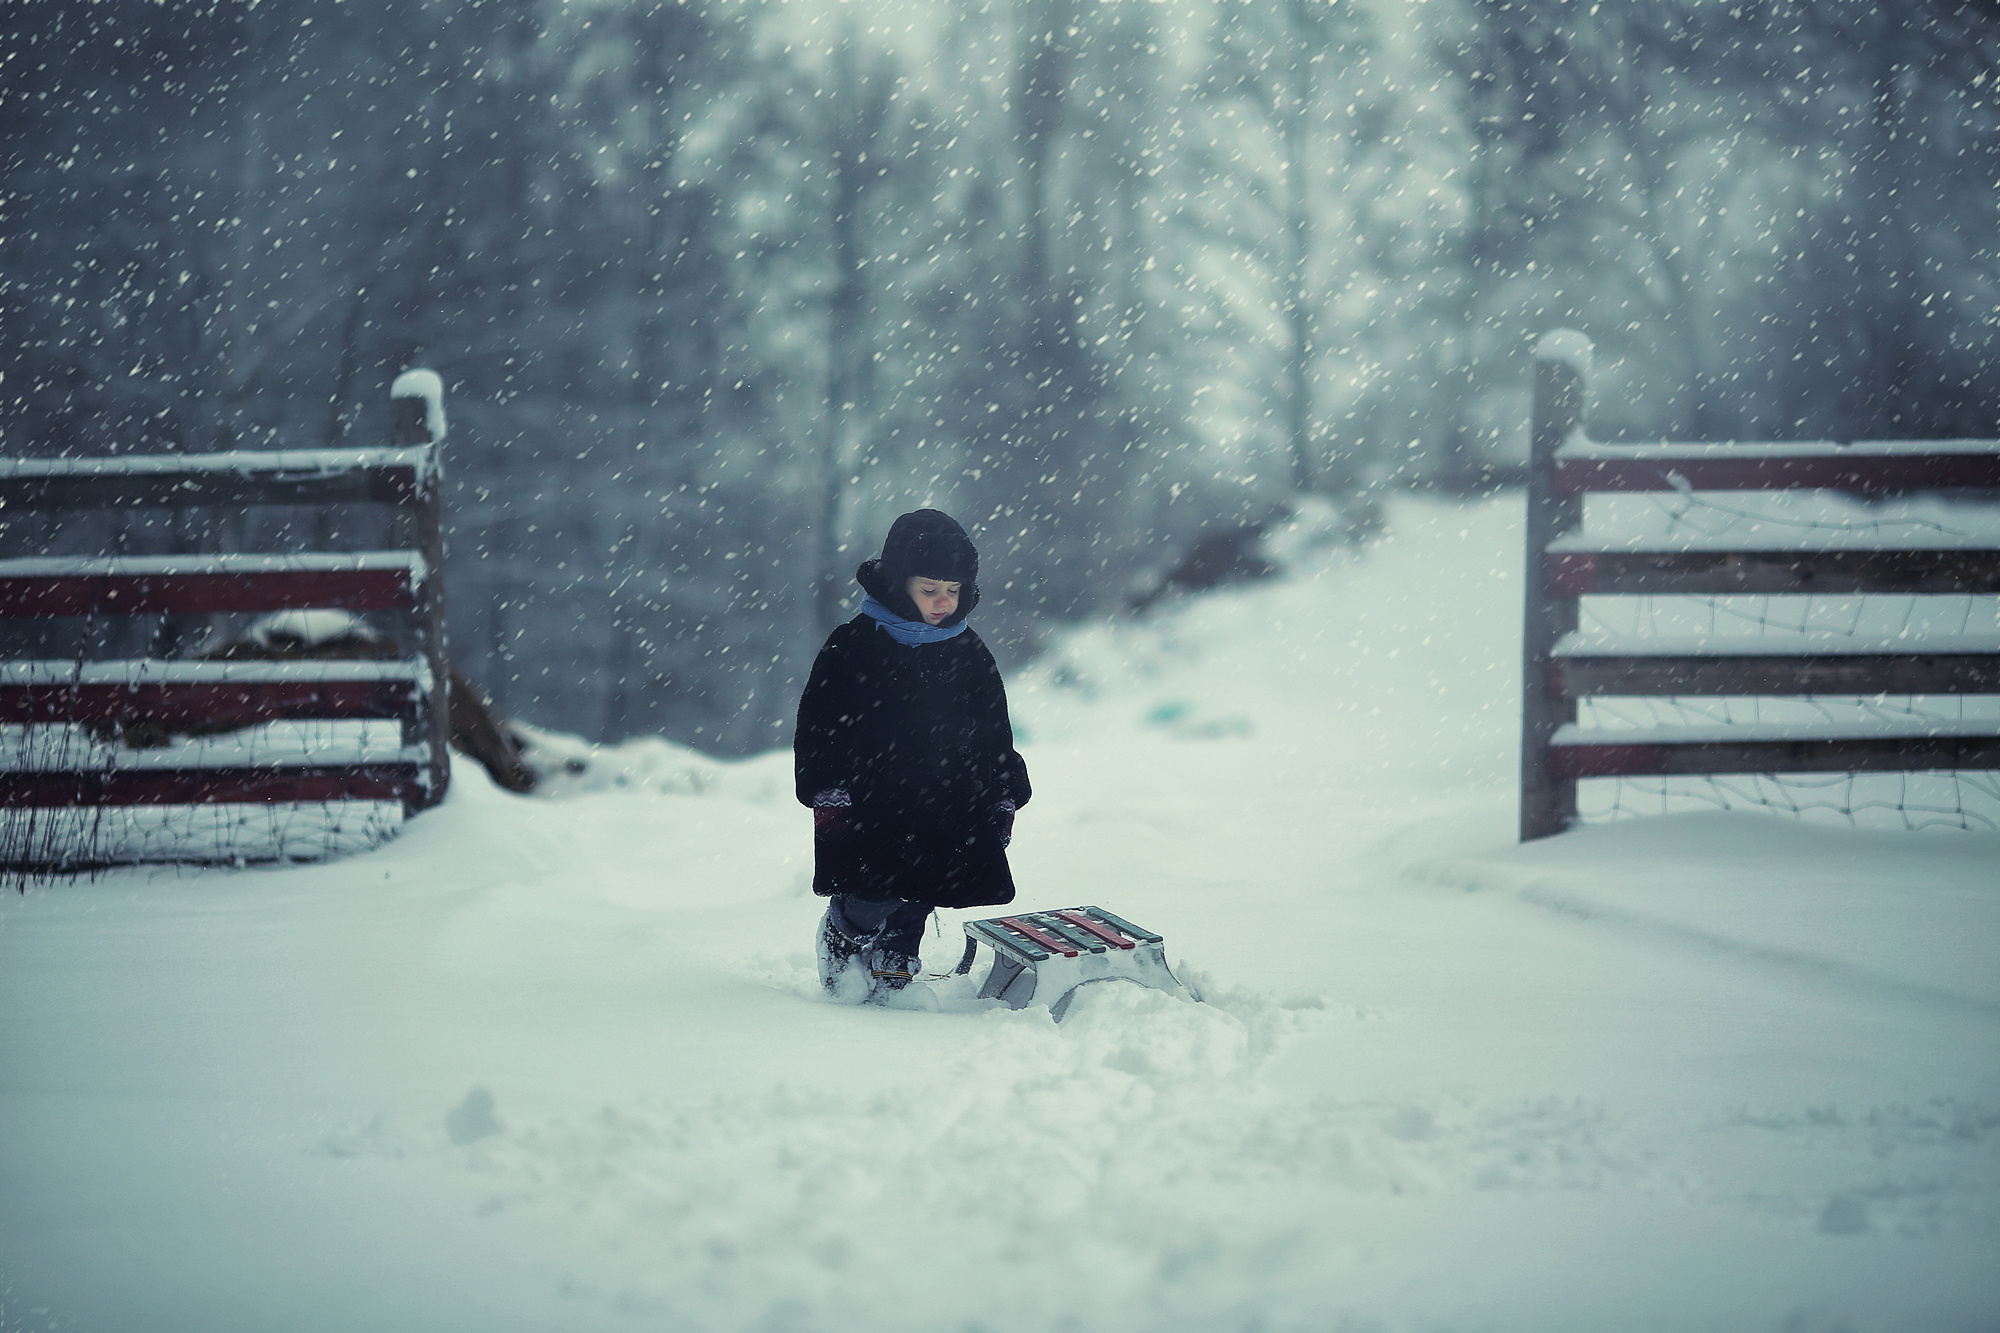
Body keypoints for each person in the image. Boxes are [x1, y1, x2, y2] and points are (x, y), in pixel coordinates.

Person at [794, 509, 1031, 1003]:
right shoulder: (854, 646)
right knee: (874, 886)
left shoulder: (969, 651)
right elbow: (821, 725)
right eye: (930, 590)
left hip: (953, 792)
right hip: (874, 796)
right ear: (899, 583)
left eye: (954, 590)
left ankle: (899, 947)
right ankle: (845, 930)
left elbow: (992, 730)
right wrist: (829, 788)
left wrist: (1003, 792)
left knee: (935, 876)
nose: (944, 602)